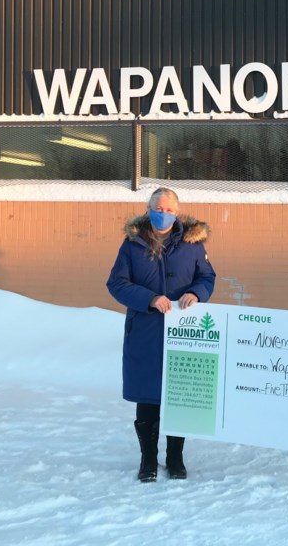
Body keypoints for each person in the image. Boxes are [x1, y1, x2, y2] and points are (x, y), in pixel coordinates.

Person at [106, 187, 216, 483]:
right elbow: (116, 283)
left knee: (179, 396)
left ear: (176, 212)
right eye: (158, 208)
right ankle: (148, 460)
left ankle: (175, 457)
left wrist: (196, 292)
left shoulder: (193, 244)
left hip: (183, 334)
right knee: (148, 397)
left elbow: (207, 276)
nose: (163, 213)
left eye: (169, 209)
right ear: (148, 208)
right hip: (145, 332)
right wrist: (150, 299)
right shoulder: (132, 244)